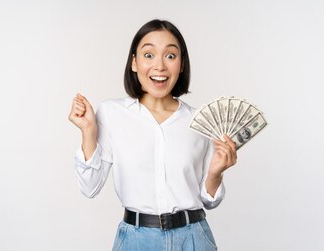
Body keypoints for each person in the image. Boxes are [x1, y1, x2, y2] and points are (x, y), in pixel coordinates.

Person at [67, 19, 238, 251]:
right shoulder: (111, 113)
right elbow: (90, 188)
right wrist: (88, 132)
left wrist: (216, 173)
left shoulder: (199, 121)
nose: (160, 66)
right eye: (149, 55)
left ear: (182, 64)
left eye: (170, 56)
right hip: (136, 241)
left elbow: (210, 200)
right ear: (134, 63)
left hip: (194, 238)